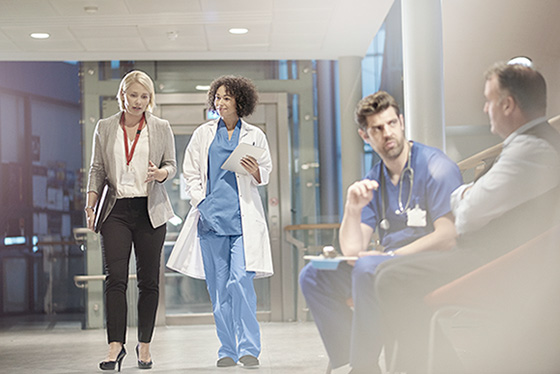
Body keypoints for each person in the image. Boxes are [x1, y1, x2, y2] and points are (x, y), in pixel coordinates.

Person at [374, 62, 560, 373]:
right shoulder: (533, 145)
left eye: (488, 100)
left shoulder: (532, 148)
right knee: (389, 273)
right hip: (502, 255)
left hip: (499, 261)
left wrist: (463, 195)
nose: (485, 108)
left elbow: (468, 215)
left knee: (392, 279)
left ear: (507, 104)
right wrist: (469, 194)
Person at [299, 91, 463, 373]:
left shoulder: (436, 167)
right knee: (313, 277)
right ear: (365, 136)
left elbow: (447, 236)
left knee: (367, 267)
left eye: (391, 124)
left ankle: (362, 367)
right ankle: (351, 358)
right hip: (380, 267)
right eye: (377, 128)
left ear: (401, 122)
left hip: (426, 265)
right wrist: (352, 208)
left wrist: (390, 255)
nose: (387, 133)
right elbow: (352, 250)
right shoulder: (373, 180)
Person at [167, 75, 273, 369]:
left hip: (242, 222)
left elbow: (266, 172)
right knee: (219, 291)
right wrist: (202, 202)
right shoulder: (204, 134)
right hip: (211, 220)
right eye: (217, 97)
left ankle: (249, 347)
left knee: (240, 282)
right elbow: (190, 173)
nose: (220, 103)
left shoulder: (254, 134)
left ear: (240, 101)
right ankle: (227, 349)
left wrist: (255, 172)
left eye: (227, 98)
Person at [86, 70, 176, 371]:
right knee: (116, 278)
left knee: (149, 281)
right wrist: (90, 204)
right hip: (116, 210)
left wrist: (160, 174)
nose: (138, 102)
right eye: (133, 95)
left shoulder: (161, 127)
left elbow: (171, 165)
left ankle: (145, 346)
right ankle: (115, 347)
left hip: (150, 210)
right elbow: (97, 169)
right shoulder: (105, 126)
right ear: (122, 95)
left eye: (144, 96)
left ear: (150, 99)